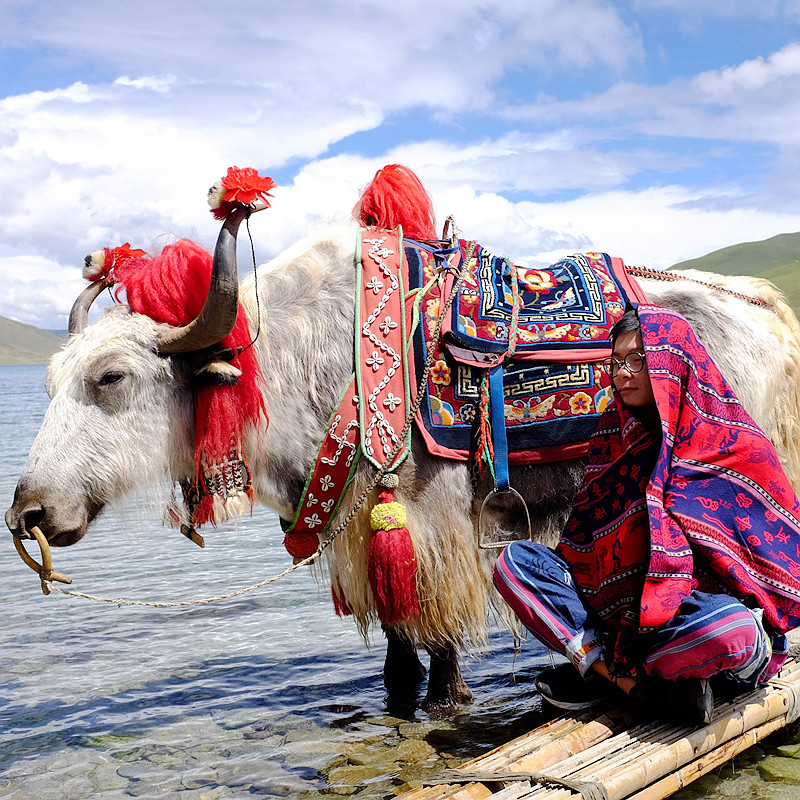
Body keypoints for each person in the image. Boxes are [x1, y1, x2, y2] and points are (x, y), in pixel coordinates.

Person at [493, 304, 800, 725]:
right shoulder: (612, 438)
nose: (622, 373)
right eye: (616, 361)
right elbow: (583, 544)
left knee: (728, 631)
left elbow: (773, 561)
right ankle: (632, 685)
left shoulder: (737, 447)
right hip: (627, 628)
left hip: (698, 617)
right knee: (516, 565)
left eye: (638, 360)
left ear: (672, 362)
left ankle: (614, 676)